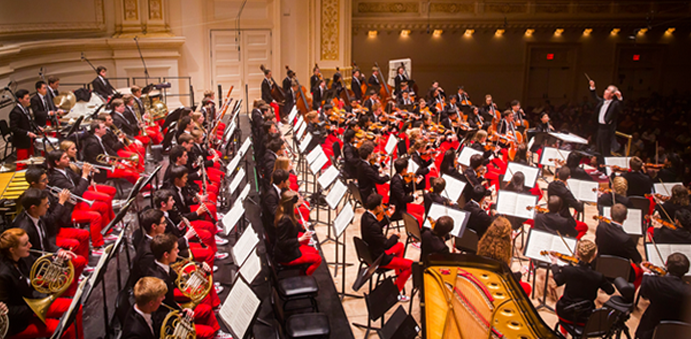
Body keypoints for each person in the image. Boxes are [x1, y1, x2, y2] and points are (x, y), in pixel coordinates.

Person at [144, 234, 232, 339]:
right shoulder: (159, 281)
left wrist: (199, 267)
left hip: (176, 309)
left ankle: (217, 333)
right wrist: (182, 313)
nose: (178, 251)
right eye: (175, 249)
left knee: (207, 310)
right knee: (207, 332)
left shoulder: (163, 266)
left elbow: (179, 278)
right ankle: (213, 334)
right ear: (166, 255)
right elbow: (161, 311)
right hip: (171, 322)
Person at [0, 228, 83, 338]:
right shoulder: (3, 275)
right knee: (62, 329)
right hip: (20, 324)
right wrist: (33, 310)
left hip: (32, 304)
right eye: (25, 244)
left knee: (76, 307)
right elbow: (7, 312)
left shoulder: (23, 258)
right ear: (12, 250)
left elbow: (42, 266)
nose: (30, 245)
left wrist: (60, 260)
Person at [549, 240, 614, 326]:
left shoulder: (568, 270)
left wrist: (554, 263)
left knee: (562, 298)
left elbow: (558, 280)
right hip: (585, 316)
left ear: (577, 253)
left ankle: (564, 332)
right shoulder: (598, 276)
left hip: (565, 312)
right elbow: (610, 290)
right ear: (594, 255)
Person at [360, 194, 412, 298]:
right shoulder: (372, 225)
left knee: (400, 246)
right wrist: (395, 236)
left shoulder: (365, 216)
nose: (384, 206)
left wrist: (388, 215)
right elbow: (386, 245)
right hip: (378, 259)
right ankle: (394, 294)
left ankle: (399, 272)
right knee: (410, 266)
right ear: (378, 207)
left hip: (371, 251)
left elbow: (376, 227)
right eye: (382, 204)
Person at [637, 253, 691, 339]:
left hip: (651, 330)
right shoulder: (688, 291)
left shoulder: (652, 282)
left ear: (666, 264)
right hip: (680, 333)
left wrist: (647, 273)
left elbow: (643, 294)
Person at [477, 217, 531, 295]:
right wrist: (520, 273)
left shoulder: (483, 243)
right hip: (495, 283)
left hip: (484, 276)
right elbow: (506, 278)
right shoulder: (501, 256)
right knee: (527, 287)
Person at [273, 190, 321, 275]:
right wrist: (299, 239)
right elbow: (282, 242)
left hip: (289, 250)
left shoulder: (285, 213)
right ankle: (305, 277)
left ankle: (303, 270)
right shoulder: (285, 220)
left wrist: (302, 227)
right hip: (286, 255)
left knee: (315, 251)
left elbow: (294, 225)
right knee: (318, 259)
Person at [595, 203, 643, 287]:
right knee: (642, 272)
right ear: (625, 217)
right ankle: (628, 294)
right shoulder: (626, 239)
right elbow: (637, 259)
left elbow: (597, 242)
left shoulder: (601, 227)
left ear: (610, 215)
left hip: (601, 265)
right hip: (621, 271)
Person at [548, 167, 588, 239]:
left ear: (557, 174)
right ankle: (573, 242)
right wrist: (579, 202)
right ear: (568, 177)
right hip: (563, 217)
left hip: (551, 213)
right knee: (584, 227)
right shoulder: (566, 192)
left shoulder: (550, 185)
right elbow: (579, 208)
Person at [589, 79, 623, 161]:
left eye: (608, 90)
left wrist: (619, 97)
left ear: (612, 94)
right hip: (600, 128)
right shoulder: (602, 102)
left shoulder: (615, 103)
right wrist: (592, 87)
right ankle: (600, 168)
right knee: (598, 150)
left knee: (605, 151)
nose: (605, 91)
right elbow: (595, 97)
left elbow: (621, 108)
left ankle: (605, 170)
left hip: (607, 130)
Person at [10, 89, 37, 169]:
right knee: (22, 162)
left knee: (30, 159)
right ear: (20, 99)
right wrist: (27, 133)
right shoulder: (15, 112)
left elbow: (29, 121)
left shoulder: (26, 109)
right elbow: (13, 128)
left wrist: (37, 127)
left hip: (28, 139)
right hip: (21, 141)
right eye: (27, 99)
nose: (29, 100)